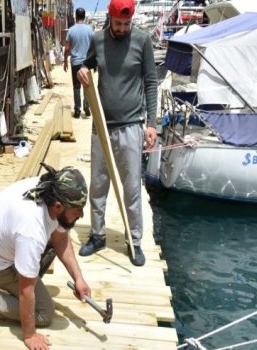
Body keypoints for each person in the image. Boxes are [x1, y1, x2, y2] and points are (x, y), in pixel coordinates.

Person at [0, 164, 92, 350]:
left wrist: (78, 279)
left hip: (2, 242)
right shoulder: (32, 229)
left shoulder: (49, 188)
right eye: (77, 210)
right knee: (44, 312)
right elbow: (26, 290)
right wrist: (30, 335)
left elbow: (61, 238)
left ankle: (27, 269)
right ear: (58, 207)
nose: (81, 214)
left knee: (53, 242)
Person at [75, 0, 158, 266]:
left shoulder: (143, 40)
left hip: (132, 126)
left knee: (132, 188)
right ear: (110, 18)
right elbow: (84, 65)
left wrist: (152, 124)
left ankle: (134, 240)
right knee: (98, 186)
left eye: (127, 24)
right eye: (118, 24)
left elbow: (151, 82)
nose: (122, 29)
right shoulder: (97, 40)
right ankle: (97, 235)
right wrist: (82, 71)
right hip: (101, 126)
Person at [64, 7, 94, 119]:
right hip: (87, 63)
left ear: (76, 16)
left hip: (76, 62)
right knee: (86, 85)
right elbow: (94, 46)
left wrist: (65, 61)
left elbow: (67, 48)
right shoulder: (90, 30)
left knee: (76, 87)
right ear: (84, 16)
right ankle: (86, 106)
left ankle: (77, 110)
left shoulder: (71, 30)